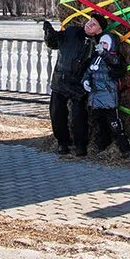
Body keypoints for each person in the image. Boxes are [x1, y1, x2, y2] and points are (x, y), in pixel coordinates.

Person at [42, 13, 107, 157]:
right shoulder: (72, 31)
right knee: (57, 114)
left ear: (99, 31)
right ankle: (62, 143)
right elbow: (54, 43)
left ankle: (80, 146)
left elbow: (97, 67)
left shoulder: (96, 45)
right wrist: (49, 33)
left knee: (79, 117)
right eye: (90, 20)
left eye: (94, 24)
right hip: (60, 79)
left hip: (78, 84)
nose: (90, 23)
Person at [82, 30, 130, 157]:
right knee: (99, 124)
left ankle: (124, 148)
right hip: (95, 98)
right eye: (101, 42)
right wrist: (86, 81)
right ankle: (101, 147)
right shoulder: (95, 59)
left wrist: (103, 53)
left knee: (115, 125)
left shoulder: (114, 57)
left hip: (109, 98)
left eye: (105, 43)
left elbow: (115, 63)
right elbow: (88, 72)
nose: (102, 45)